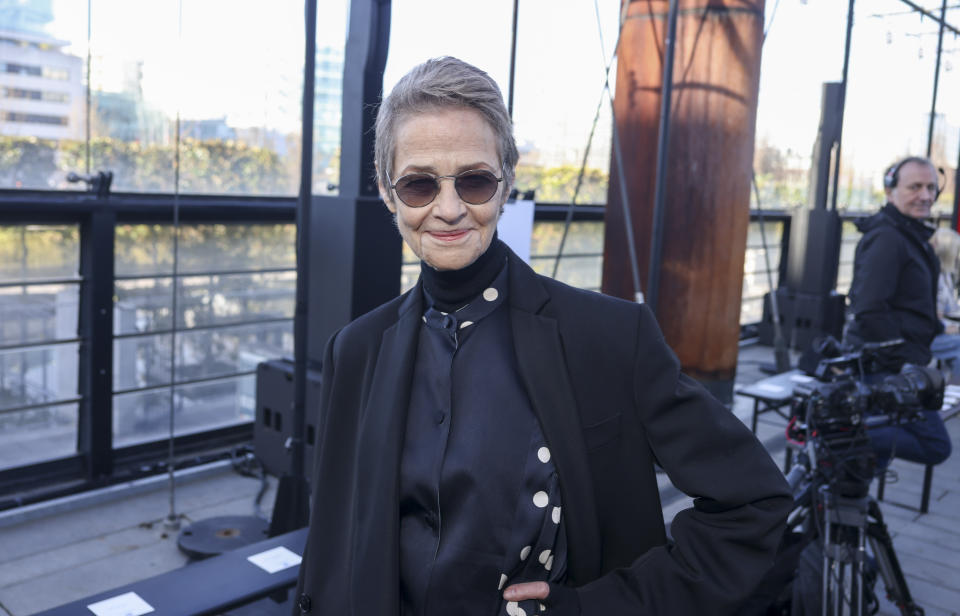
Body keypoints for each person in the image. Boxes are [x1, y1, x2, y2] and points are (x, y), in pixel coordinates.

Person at [293, 56, 791, 615]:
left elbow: (755, 502)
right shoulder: (356, 349)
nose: (450, 209)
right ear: (387, 193)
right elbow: (332, 541)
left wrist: (597, 608)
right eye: (419, 185)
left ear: (507, 182)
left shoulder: (607, 336)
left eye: (475, 180)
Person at [845, 156, 952, 469]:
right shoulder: (888, 238)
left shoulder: (906, 233)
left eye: (931, 187)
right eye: (915, 187)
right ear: (890, 191)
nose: (926, 195)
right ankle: (848, 432)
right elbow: (868, 308)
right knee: (934, 445)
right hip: (888, 366)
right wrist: (903, 362)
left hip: (898, 363)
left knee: (861, 471)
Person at [929, 227, 960, 379]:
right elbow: (937, 315)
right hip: (932, 333)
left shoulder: (946, 274)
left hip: (939, 327)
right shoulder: (936, 276)